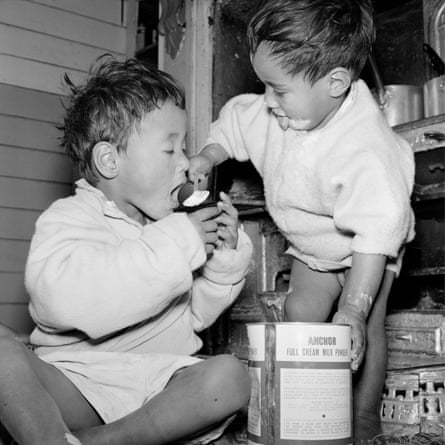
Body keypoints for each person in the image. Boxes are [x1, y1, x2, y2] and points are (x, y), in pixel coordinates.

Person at [188, 0, 415, 441]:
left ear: (335, 83)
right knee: (300, 313)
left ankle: (364, 417)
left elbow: (377, 229)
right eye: (264, 85)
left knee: (363, 326)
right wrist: (208, 154)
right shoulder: (278, 110)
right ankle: (305, 412)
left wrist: (352, 305)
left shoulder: (366, 148)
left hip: (367, 249)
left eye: (278, 89)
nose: (267, 101)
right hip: (314, 245)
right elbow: (235, 122)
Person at [0, 56, 253, 445]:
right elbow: (66, 302)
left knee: (230, 377)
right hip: (78, 384)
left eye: (185, 147)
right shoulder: (70, 218)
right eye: (171, 150)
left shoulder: (168, 225)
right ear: (110, 160)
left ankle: (103, 441)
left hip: (156, 391)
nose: (187, 163)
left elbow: (193, 316)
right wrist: (179, 243)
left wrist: (222, 258)